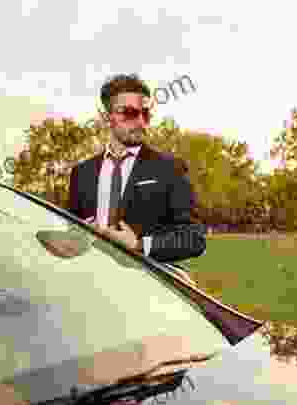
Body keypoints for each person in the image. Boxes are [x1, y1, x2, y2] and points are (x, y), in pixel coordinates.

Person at [68, 73, 206, 264]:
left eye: (146, 114)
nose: (141, 122)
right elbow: (72, 235)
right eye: (130, 113)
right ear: (107, 117)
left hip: (143, 288)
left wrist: (139, 245)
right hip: (90, 283)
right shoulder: (82, 173)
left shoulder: (170, 168)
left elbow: (194, 238)